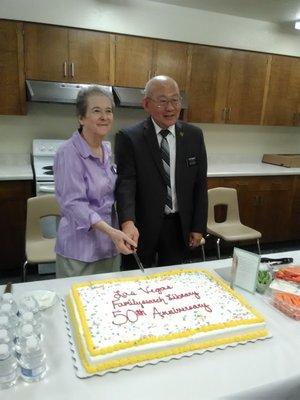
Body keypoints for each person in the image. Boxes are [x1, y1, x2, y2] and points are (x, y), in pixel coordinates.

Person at [115, 75, 208, 269]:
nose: (170, 107)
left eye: (175, 100)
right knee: (136, 281)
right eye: (163, 101)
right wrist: (127, 222)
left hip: (178, 226)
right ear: (146, 104)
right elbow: (126, 185)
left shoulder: (194, 136)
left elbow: (200, 185)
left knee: (175, 279)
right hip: (141, 227)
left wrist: (198, 227)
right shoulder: (129, 138)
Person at [54, 86, 136, 278]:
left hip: (109, 246)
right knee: (78, 302)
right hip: (80, 251)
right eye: (96, 111)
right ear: (81, 117)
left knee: (109, 301)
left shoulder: (106, 149)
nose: (104, 116)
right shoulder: (68, 152)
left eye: (108, 111)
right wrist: (111, 232)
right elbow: (73, 204)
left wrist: (125, 226)